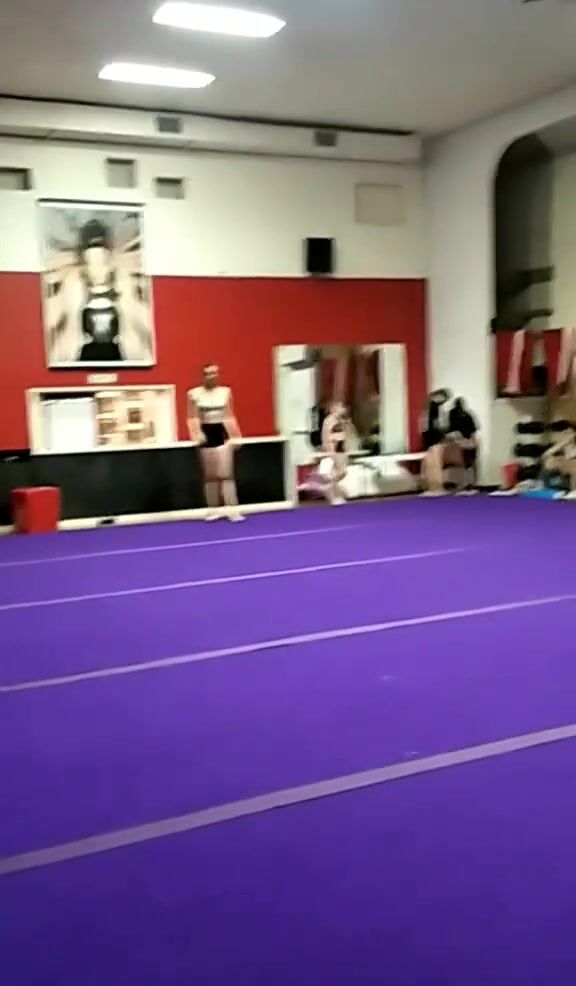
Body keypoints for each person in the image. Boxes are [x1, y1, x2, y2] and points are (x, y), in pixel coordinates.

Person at [187, 364, 243, 522]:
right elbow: (192, 417)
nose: (212, 376)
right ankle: (212, 510)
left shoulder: (225, 392)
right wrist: (196, 433)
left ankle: (232, 510)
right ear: (203, 376)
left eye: (215, 373)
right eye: (208, 373)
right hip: (206, 433)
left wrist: (236, 435)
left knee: (226, 474)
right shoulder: (194, 394)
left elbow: (229, 415)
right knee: (210, 476)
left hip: (222, 432)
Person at [420, 389, 461, 495]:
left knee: (433, 464)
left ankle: (434, 486)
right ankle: (435, 486)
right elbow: (436, 425)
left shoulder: (430, 408)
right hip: (434, 439)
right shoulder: (434, 408)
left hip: (432, 439)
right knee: (434, 464)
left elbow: (427, 425)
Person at [448, 397, 479, 491]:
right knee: (471, 463)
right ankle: (471, 483)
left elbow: (452, 430)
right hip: (470, 442)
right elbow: (474, 430)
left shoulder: (453, 414)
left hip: (460, 443)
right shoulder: (468, 414)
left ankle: (462, 483)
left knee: (463, 464)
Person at [321, 402, 349, 505]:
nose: (344, 409)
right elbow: (327, 437)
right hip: (335, 449)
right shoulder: (329, 421)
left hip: (341, 449)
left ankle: (333, 491)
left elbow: (343, 435)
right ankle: (331, 491)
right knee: (340, 471)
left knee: (342, 472)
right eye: (342, 407)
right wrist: (330, 451)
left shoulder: (340, 420)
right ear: (334, 408)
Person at [542, 424, 576, 496]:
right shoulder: (560, 449)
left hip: (572, 472)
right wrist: (563, 443)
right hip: (561, 472)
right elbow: (545, 456)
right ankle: (545, 489)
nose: (567, 435)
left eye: (569, 433)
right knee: (549, 461)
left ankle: (573, 492)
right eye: (564, 433)